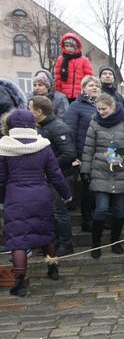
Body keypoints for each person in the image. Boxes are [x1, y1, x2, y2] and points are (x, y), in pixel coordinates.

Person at [0, 109, 72, 297]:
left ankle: (20, 282)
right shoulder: (43, 146)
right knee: (46, 234)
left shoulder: (3, 146)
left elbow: (1, 179)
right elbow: (55, 175)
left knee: (18, 240)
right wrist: (66, 194)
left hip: (15, 197)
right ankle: (53, 270)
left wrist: (2, 198)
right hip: (40, 195)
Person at [80, 93, 124, 259]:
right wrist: (85, 171)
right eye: (98, 109)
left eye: (104, 109)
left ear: (113, 107)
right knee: (100, 210)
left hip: (121, 172)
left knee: (119, 211)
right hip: (100, 172)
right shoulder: (94, 124)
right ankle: (96, 244)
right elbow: (88, 149)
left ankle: (115, 242)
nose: (101, 112)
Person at [30, 96, 76, 256]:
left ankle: (66, 244)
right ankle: (55, 241)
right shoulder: (43, 127)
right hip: (50, 177)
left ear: (39, 111)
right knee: (52, 212)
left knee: (60, 212)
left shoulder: (58, 127)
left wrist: (48, 167)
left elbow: (69, 154)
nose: (29, 112)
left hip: (61, 177)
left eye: (31, 109)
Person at [64, 75, 101, 232]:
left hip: (100, 154)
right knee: (88, 188)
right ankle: (87, 220)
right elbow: (69, 131)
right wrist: (74, 155)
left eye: (97, 86)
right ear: (83, 88)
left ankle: (97, 217)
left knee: (98, 188)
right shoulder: (76, 106)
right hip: (83, 153)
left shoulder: (101, 105)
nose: (95, 88)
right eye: (91, 85)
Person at [53, 33, 93, 102]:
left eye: (71, 46)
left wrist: (86, 92)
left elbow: (88, 78)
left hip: (80, 95)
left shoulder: (84, 60)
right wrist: (58, 93)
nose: (68, 48)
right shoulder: (60, 59)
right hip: (64, 95)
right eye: (66, 45)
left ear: (76, 46)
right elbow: (58, 78)